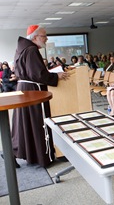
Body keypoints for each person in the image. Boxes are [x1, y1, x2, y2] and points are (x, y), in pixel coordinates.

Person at [12, 25, 69, 167]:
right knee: (38, 122)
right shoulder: (31, 50)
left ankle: (19, 152)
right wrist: (56, 76)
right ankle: (41, 156)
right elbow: (38, 74)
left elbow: (33, 71)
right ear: (36, 37)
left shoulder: (24, 48)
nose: (47, 38)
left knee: (26, 122)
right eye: (44, 36)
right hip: (33, 89)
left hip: (26, 88)